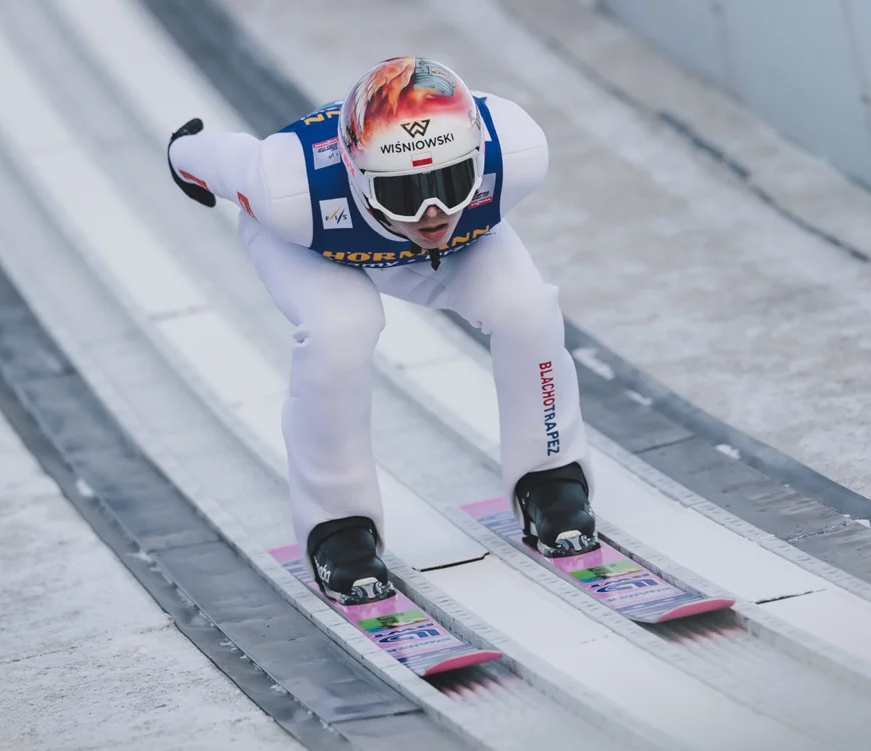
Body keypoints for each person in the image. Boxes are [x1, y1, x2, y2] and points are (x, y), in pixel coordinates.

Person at [166, 56, 599, 605]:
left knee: (527, 309)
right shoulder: (287, 189)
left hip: (455, 249)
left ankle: (551, 476)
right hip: (319, 245)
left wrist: (411, 205)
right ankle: (338, 526)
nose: (431, 211)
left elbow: (439, 211)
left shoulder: (517, 149)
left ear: (480, 159)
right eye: (403, 191)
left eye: (450, 180)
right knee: (340, 330)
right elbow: (222, 160)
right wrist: (181, 152)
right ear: (356, 174)